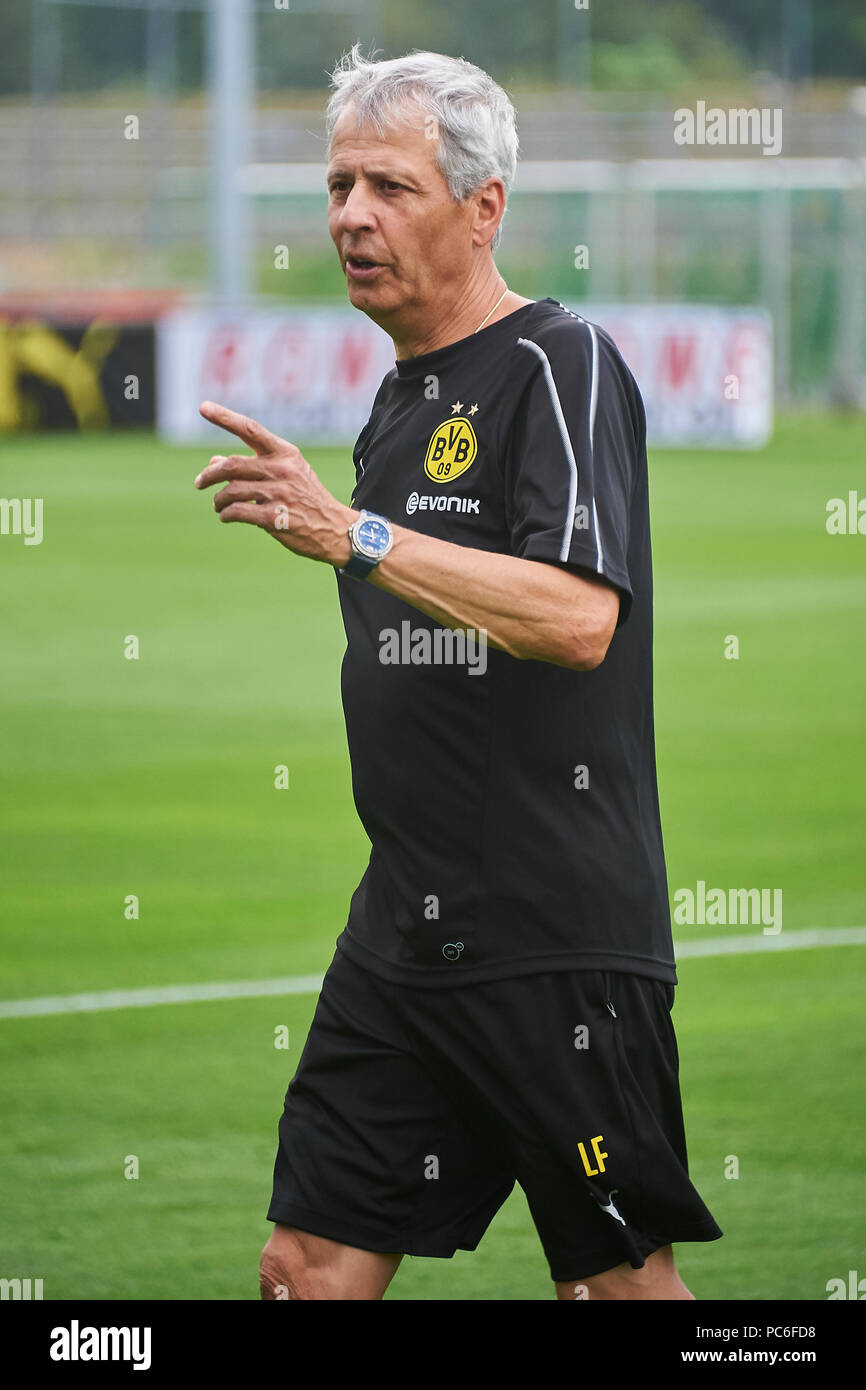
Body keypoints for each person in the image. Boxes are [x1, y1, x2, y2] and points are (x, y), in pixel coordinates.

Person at [193, 45, 722, 1300]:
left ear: (483, 208)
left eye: (388, 186)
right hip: (404, 929)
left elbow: (577, 615)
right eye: (336, 187)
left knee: (615, 1288)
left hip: (550, 935)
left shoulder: (559, 363)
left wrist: (351, 533)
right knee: (304, 1264)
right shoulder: (396, 403)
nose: (349, 217)